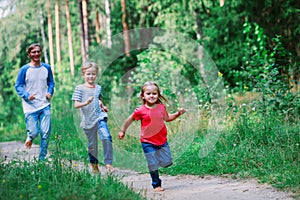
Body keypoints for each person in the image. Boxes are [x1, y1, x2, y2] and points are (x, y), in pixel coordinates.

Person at [118, 81, 185, 192]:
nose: (151, 95)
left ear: (158, 95)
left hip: (162, 141)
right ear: (143, 96)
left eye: (154, 93)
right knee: (153, 164)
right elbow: (129, 120)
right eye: (148, 93)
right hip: (147, 141)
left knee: (167, 162)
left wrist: (178, 114)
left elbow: (167, 119)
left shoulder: (161, 107)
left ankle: (157, 159)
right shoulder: (140, 111)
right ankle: (156, 184)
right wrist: (123, 131)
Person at [72, 61, 114, 174]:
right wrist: (86, 102)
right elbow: (76, 105)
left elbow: (97, 99)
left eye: (93, 74)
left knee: (106, 137)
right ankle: (94, 164)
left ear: (96, 75)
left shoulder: (98, 88)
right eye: (88, 74)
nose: (91, 76)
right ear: (83, 74)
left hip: (99, 117)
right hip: (88, 120)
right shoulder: (79, 88)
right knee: (92, 145)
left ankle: (108, 163)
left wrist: (103, 106)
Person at [15, 43, 55, 160]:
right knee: (34, 132)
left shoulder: (46, 68)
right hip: (30, 107)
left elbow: (51, 82)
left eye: (38, 51)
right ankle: (30, 136)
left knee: (46, 133)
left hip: (44, 104)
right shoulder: (24, 69)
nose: (36, 54)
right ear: (29, 54)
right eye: (34, 52)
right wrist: (27, 95)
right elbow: (18, 86)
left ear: (41, 52)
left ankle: (41, 160)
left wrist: (50, 92)